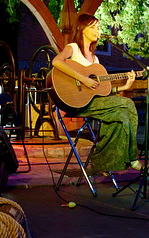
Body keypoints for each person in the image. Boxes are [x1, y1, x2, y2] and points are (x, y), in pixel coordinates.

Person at [52, 13, 142, 175]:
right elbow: (56, 62)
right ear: (82, 29)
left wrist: (124, 86)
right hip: (76, 104)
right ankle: (132, 156)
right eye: (93, 27)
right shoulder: (73, 48)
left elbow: (102, 92)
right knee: (127, 104)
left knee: (121, 116)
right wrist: (83, 79)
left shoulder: (95, 60)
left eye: (98, 27)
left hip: (94, 103)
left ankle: (102, 162)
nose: (97, 30)